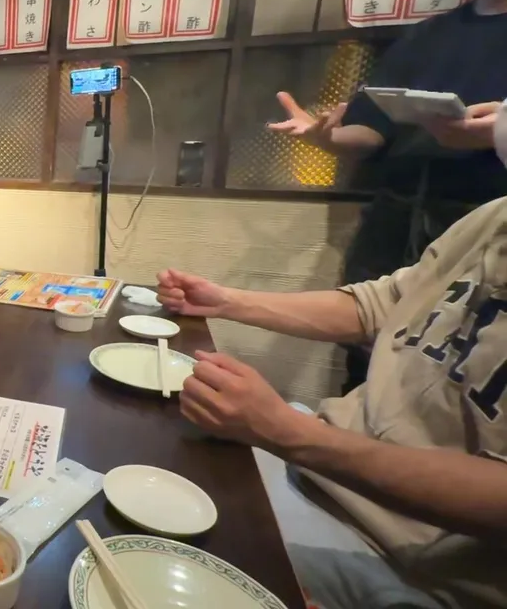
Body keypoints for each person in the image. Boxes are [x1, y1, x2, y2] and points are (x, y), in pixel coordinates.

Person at [155, 140, 507, 609]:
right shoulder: (494, 217)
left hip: (410, 566)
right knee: (160, 463)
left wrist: (287, 432)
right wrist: (225, 301)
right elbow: (382, 303)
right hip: (320, 469)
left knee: (163, 558)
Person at [268, 0, 507, 394]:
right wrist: (325, 138)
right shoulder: (431, 35)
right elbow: (371, 130)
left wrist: (492, 133)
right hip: (397, 224)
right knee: (368, 362)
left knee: (460, 378)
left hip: (489, 231)